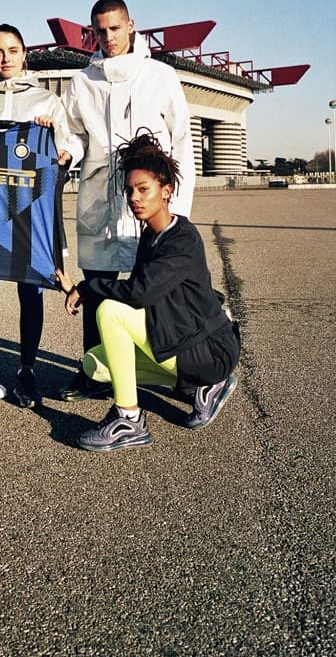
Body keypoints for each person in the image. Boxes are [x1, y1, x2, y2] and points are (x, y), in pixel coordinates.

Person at [57, 131, 239, 452]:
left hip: (209, 348)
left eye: (144, 189)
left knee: (110, 312)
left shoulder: (182, 238)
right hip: (182, 338)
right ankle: (200, 388)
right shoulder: (150, 237)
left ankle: (129, 419)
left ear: (166, 192)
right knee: (94, 365)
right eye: (130, 191)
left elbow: (139, 294)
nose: (134, 198)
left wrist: (88, 286)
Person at [60, 0, 196, 401]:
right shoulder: (81, 80)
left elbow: (182, 140)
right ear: (92, 32)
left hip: (148, 203)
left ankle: (171, 370)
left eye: (115, 28)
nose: (108, 37)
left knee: (155, 291)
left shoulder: (160, 75)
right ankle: (94, 372)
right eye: (100, 30)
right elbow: (72, 134)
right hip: (101, 200)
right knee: (97, 287)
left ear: (132, 25)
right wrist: (67, 151)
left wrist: (178, 209)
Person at [0, 23, 74, 420]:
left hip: (28, 212)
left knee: (30, 292)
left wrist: (54, 139)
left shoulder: (47, 102)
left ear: (25, 54)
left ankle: (27, 370)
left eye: (13, 50)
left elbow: (68, 151)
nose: (5, 58)